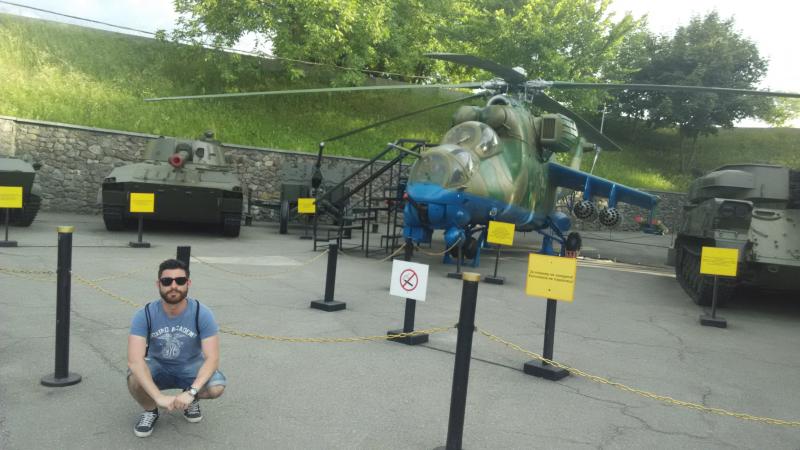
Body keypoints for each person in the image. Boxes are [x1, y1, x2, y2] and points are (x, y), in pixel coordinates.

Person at [127, 259, 226, 438]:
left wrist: (192, 391)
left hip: (190, 366)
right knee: (134, 378)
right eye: (167, 281)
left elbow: (212, 358)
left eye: (180, 281)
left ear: (188, 283)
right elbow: (134, 360)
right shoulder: (145, 314)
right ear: (158, 284)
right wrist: (158, 397)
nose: (174, 286)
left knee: (216, 387)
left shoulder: (202, 313)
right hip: (158, 365)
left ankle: (189, 398)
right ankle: (150, 410)